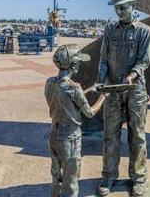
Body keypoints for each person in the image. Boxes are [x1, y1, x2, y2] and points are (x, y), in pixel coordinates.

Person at [96, 0, 150, 197]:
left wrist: (131, 76)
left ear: (132, 5)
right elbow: (103, 58)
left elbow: (144, 60)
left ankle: (138, 178)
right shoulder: (109, 30)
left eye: (123, 6)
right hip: (112, 89)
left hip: (135, 90)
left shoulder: (145, 31)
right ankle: (108, 176)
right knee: (110, 135)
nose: (119, 11)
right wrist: (100, 81)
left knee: (137, 136)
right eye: (116, 7)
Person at [45, 44, 109, 197]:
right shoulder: (74, 88)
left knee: (56, 175)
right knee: (71, 180)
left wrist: (89, 89)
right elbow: (90, 112)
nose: (80, 65)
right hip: (70, 138)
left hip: (54, 133)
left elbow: (65, 100)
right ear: (73, 64)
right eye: (79, 62)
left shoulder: (50, 82)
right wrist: (103, 97)